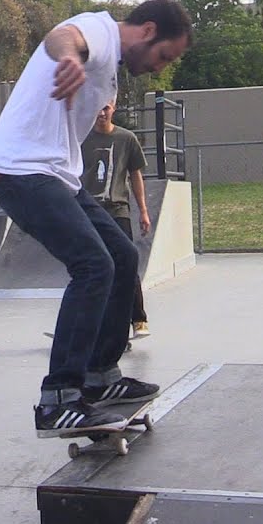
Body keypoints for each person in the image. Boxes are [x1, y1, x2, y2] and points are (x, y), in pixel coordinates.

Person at [0, 0, 193, 438]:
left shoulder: (110, 71)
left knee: (122, 255)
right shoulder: (96, 32)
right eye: (163, 56)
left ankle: (100, 375)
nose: (158, 68)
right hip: (20, 169)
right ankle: (58, 397)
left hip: (59, 174)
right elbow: (61, 37)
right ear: (147, 30)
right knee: (93, 265)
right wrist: (71, 58)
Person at [80, 99, 152, 342]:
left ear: (113, 109)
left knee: (127, 262)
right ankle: (100, 324)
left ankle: (138, 319)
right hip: (89, 210)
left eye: (106, 109)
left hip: (117, 209)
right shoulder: (82, 139)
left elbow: (135, 175)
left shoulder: (126, 139)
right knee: (95, 268)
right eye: (97, 109)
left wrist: (142, 210)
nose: (102, 114)